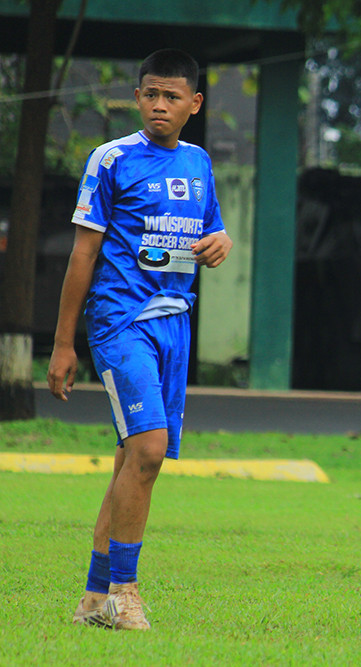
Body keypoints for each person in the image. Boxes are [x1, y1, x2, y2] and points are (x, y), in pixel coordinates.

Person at [46, 49, 232, 630]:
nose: (159, 104)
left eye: (172, 96)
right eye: (150, 93)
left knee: (132, 458)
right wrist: (62, 344)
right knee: (149, 449)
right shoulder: (111, 159)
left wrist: (220, 243)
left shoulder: (199, 163)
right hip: (121, 322)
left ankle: (91, 599)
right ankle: (125, 592)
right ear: (137, 98)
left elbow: (212, 231)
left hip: (175, 324)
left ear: (193, 105)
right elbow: (82, 254)